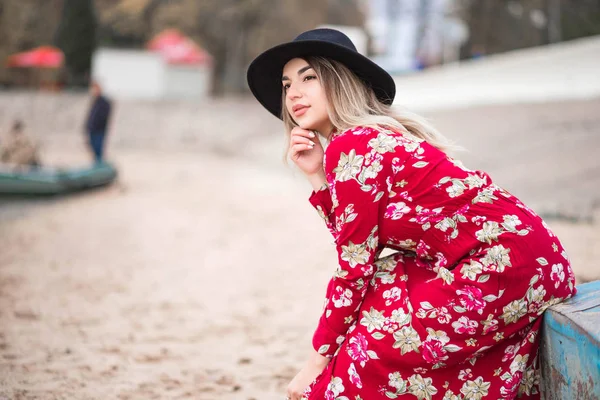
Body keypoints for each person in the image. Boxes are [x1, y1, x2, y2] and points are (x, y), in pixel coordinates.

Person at [246, 28, 576, 400]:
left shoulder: (355, 146)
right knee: (383, 285)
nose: (293, 93)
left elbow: (354, 266)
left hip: (503, 264)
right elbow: (359, 244)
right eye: (287, 84)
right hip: (531, 258)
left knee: (368, 346)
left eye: (309, 77)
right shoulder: (361, 141)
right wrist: (318, 177)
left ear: (341, 82)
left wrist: (315, 363)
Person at [85, 81, 112, 163]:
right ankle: (97, 164)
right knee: (93, 150)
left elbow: (103, 117)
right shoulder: (95, 101)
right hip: (92, 130)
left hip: (99, 131)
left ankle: (99, 165)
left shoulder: (104, 102)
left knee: (98, 150)